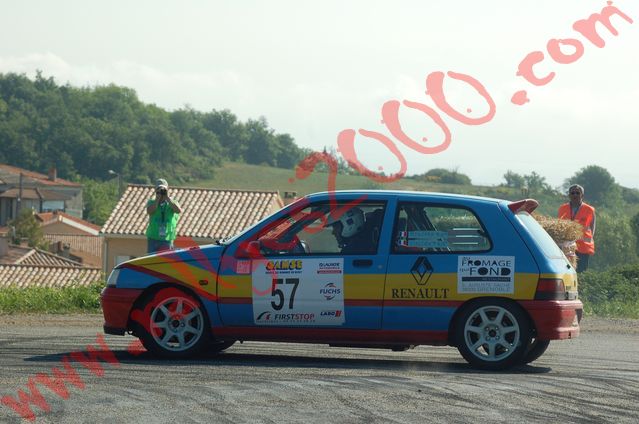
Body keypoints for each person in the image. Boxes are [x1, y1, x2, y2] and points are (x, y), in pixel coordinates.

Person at [558, 184, 595, 272]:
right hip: (566, 246)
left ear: (582, 195)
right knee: (566, 271)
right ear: (569, 195)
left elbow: (592, 227)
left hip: (583, 247)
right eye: (573, 193)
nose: (575, 195)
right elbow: (558, 226)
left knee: (581, 272)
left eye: (577, 193)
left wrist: (590, 239)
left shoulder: (589, 209)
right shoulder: (562, 208)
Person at [146, 178, 182, 253]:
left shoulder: (172, 203)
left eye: (163, 190)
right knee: (152, 261)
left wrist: (167, 198)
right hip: (153, 239)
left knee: (166, 262)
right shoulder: (152, 202)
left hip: (167, 239)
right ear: (155, 191)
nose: (161, 192)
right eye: (159, 190)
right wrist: (157, 200)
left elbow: (178, 210)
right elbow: (149, 211)